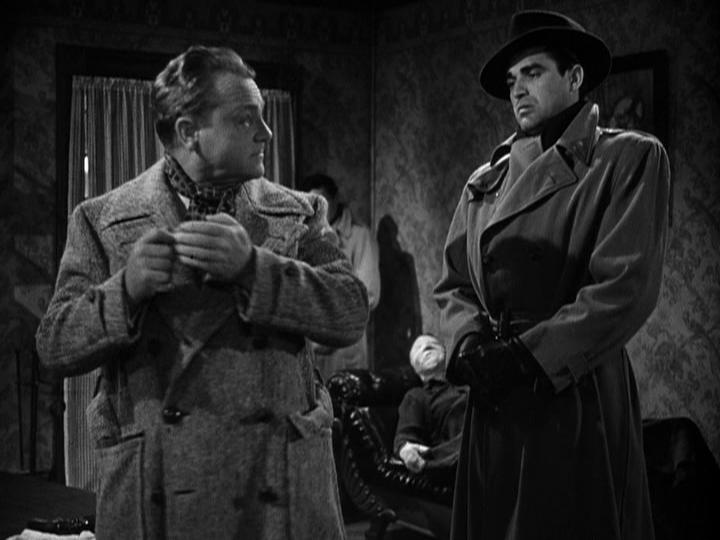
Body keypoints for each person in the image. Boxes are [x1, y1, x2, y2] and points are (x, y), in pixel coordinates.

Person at [35, 45, 369, 539]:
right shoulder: (101, 219)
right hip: (157, 491)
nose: (266, 133)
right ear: (189, 132)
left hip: (276, 488)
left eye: (263, 116)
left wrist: (255, 270)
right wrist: (126, 289)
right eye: (246, 119)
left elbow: (350, 312)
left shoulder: (300, 213)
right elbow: (54, 345)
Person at [434, 9, 670, 540]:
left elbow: (624, 289)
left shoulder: (626, 158)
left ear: (575, 76)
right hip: (493, 391)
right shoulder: (485, 180)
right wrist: (468, 344)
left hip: (570, 388)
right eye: (511, 80)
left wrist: (526, 357)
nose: (518, 90)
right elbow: (454, 282)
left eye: (533, 72)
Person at [304, 173, 380, 379]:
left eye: (323, 201)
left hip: (345, 347)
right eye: (312, 203)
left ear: (335, 199)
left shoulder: (359, 236)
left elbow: (368, 294)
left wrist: (331, 321)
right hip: (313, 345)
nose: (318, 209)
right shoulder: (305, 236)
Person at [393, 334, 467, 474]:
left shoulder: (468, 384)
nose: (425, 346)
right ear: (415, 366)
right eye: (418, 348)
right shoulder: (416, 395)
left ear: (445, 352)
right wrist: (405, 450)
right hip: (460, 458)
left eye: (432, 345)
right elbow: (406, 436)